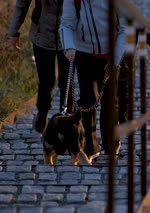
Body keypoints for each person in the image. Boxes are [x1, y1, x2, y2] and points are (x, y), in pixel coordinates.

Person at [60, 0, 126, 162]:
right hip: (85, 52)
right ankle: (90, 147)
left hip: (111, 52)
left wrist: (115, 59)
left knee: (110, 101)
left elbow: (126, 28)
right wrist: (68, 46)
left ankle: (112, 144)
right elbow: (67, 23)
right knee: (87, 100)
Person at [8, 0, 73, 133]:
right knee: (46, 81)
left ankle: (67, 117)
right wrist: (14, 31)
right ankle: (42, 116)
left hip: (69, 36)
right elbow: (22, 4)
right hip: (42, 35)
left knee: (66, 81)